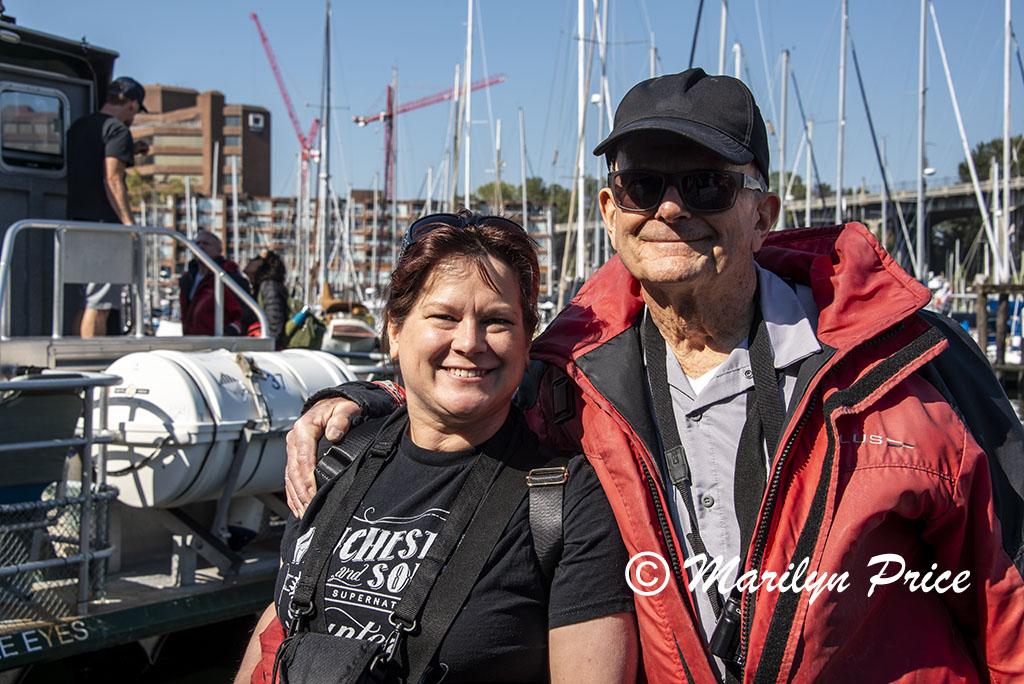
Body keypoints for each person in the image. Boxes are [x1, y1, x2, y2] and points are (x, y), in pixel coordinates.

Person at [285, 69, 1024, 683]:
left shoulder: (908, 364)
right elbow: (462, 394)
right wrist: (360, 398)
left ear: (763, 211)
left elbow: (1010, 595)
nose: (671, 208)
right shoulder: (573, 375)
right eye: (643, 186)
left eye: (706, 184)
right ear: (610, 211)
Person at [236, 212, 638, 684]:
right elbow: (281, 620)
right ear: (394, 330)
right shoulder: (338, 457)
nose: (469, 342)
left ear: (527, 341)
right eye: (444, 317)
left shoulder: (570, 502)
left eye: (497, 321)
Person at [66, 76, 150, 337]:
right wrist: (128, 224)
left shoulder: (78, 127)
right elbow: (112, 178)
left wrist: (130, 151)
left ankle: (75, 362)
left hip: (75, 221)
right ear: (133, 104)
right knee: (100, 304)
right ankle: (93, 368)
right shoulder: (117, 130)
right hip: (103, 226)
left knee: (86, 301)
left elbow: (92, 160)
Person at [179, 230, 244, 335]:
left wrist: (229, 332)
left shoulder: (228, 277)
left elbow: (243, 314)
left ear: (219, 250)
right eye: (197, 243)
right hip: (193, 342)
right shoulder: (187, 279)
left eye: (206, 244)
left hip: (217, 345)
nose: (200, 247)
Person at [243, 250, 290, 349]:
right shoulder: (260, 287)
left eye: (256, 258)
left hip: (268, 348)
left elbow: (275, 322)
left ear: (264, 264)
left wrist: (267, 347)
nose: (250, 260)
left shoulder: (269, 286)